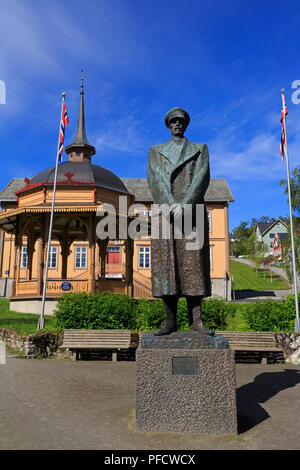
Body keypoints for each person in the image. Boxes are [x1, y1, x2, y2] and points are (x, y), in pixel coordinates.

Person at [147, 107, 213, 336]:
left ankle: (196, 321)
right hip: (165, 215)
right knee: (168, 268)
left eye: (181, 121)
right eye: (173, 121)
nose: (177, 124)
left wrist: (184, 204)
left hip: (191, 214)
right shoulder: (156, 151)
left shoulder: (199, 149)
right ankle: (170, 321)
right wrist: (171, 204)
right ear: (168, 125)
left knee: (193, 267)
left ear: (186, 125)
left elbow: (202, 177)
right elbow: (155, 179)